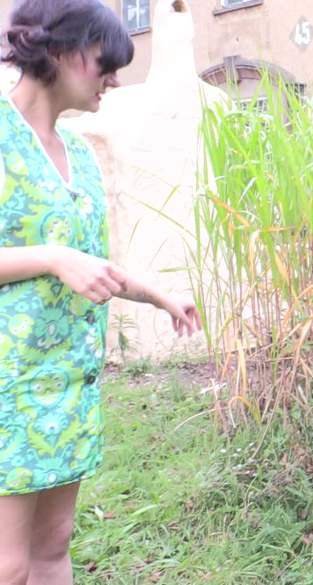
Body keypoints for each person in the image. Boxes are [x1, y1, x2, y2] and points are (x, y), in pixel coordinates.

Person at [0, 1, 201, 583]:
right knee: (9, 564)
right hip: (9, 387)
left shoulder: (80, 154)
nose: (113, 79)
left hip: (68, 383)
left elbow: (90, 263)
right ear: (60, 51)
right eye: (103, 63)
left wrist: (156, 294)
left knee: (53, 544)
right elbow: (63, 260)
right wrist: (51, 257)